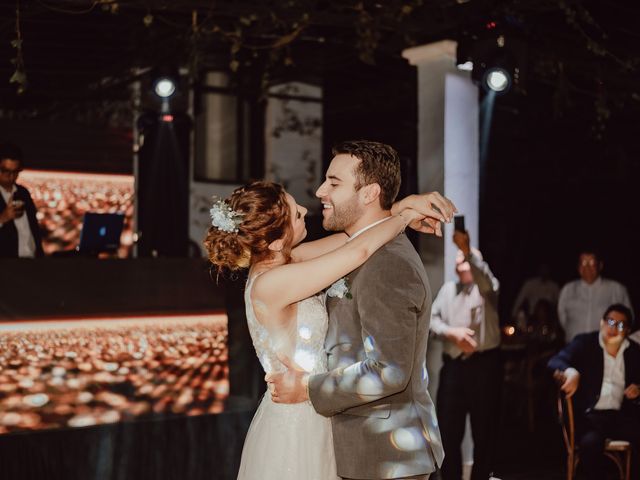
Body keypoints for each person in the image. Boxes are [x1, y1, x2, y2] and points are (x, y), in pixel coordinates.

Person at [205, 171, 455, 477]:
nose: (305, 212)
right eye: (295, 214)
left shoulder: (285, 259)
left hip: (319, 405)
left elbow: (353, 237)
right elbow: (358, 251)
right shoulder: (271, 283)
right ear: (274, 242)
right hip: (299, 416)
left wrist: (402, 206)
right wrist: (404, 218)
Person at [429, 231, 501, 480]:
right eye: (459, 258)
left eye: (467, 258)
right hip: (454, 369)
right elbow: (431, 319)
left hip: (484, 367)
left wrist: (469, 251)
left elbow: (486, 280)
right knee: (448, 432)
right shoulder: (448, 290)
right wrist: (452, 333)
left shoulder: (487, 290)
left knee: (485, 431)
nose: (461, 261)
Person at [548, 304, 640, 480]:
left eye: (621, 325)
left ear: (627, 330)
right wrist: (570, 371)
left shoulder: (634, 351)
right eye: (610, 321)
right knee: (590, 445)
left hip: (622, 415)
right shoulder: (585, 343)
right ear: (601, 322)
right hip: (591, 416)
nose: (614, 328)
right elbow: (555, 361)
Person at [558, 249, 633, 342]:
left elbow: (628, 319)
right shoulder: (568, 289)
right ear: (578, 267)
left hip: (605, 349)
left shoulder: (616, 289)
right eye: (583, 263)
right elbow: (562, 318)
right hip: (574, 348)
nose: (587, 267)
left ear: (600, 265)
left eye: (592, 263)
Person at [0, 142, 43, 258]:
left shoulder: (23, 192)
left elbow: (34, 230)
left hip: (33, 263)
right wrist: (2, 218)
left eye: (15, 172)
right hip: (7, 268)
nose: (11, 176)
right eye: (6, 171)